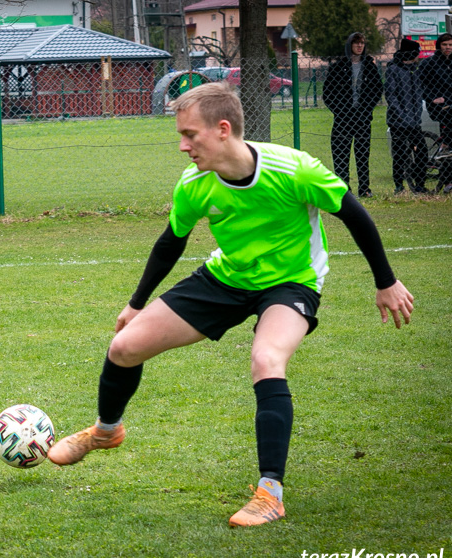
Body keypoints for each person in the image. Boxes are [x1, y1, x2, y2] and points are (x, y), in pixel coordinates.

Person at [47, 82, 414, 528]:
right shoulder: (195, 184)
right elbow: (171, 243)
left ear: (223, 129)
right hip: (225, 278)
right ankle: (106, 431)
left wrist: (386, 282)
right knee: (124, 347)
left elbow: (353, 214)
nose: (183, 146)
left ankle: (270, 493)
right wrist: (136, 304)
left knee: (266, 358)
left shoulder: (295, 169)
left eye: (190, 135)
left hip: (290, 283)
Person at [322, 33, 383, 198]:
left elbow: (377, 90)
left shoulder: (369, 66)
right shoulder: (338, 67)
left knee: (363, 155)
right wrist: (340, 111)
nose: (359, 46)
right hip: (343, 119)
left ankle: (364, 188)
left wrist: (366, 110)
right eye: (356, 43)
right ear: (350, 45)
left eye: (362, 43)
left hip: (363, 118)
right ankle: (344, 190)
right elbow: (327, 93)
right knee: (341, 155)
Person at [385, 38, 429, 194]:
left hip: (414, 122)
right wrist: (402, 115)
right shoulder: (393, 69)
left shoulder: (416, 70)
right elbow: (391, 96)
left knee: (421, 152)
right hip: (398, 122)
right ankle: (399, 186)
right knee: (400, 155)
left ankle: (420, 184)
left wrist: (415, 115)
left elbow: (418, 95)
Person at [419, 32, 452, 192]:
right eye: (445, 45)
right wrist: (432, 98)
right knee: (448, 144)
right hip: (438, 107)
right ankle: (444, 144)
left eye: (450, 45)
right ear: (439, 45)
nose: (448, 48)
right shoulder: (429, 63)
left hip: (450, 105)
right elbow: (419, 84)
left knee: (449, 149)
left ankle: (446, 182)